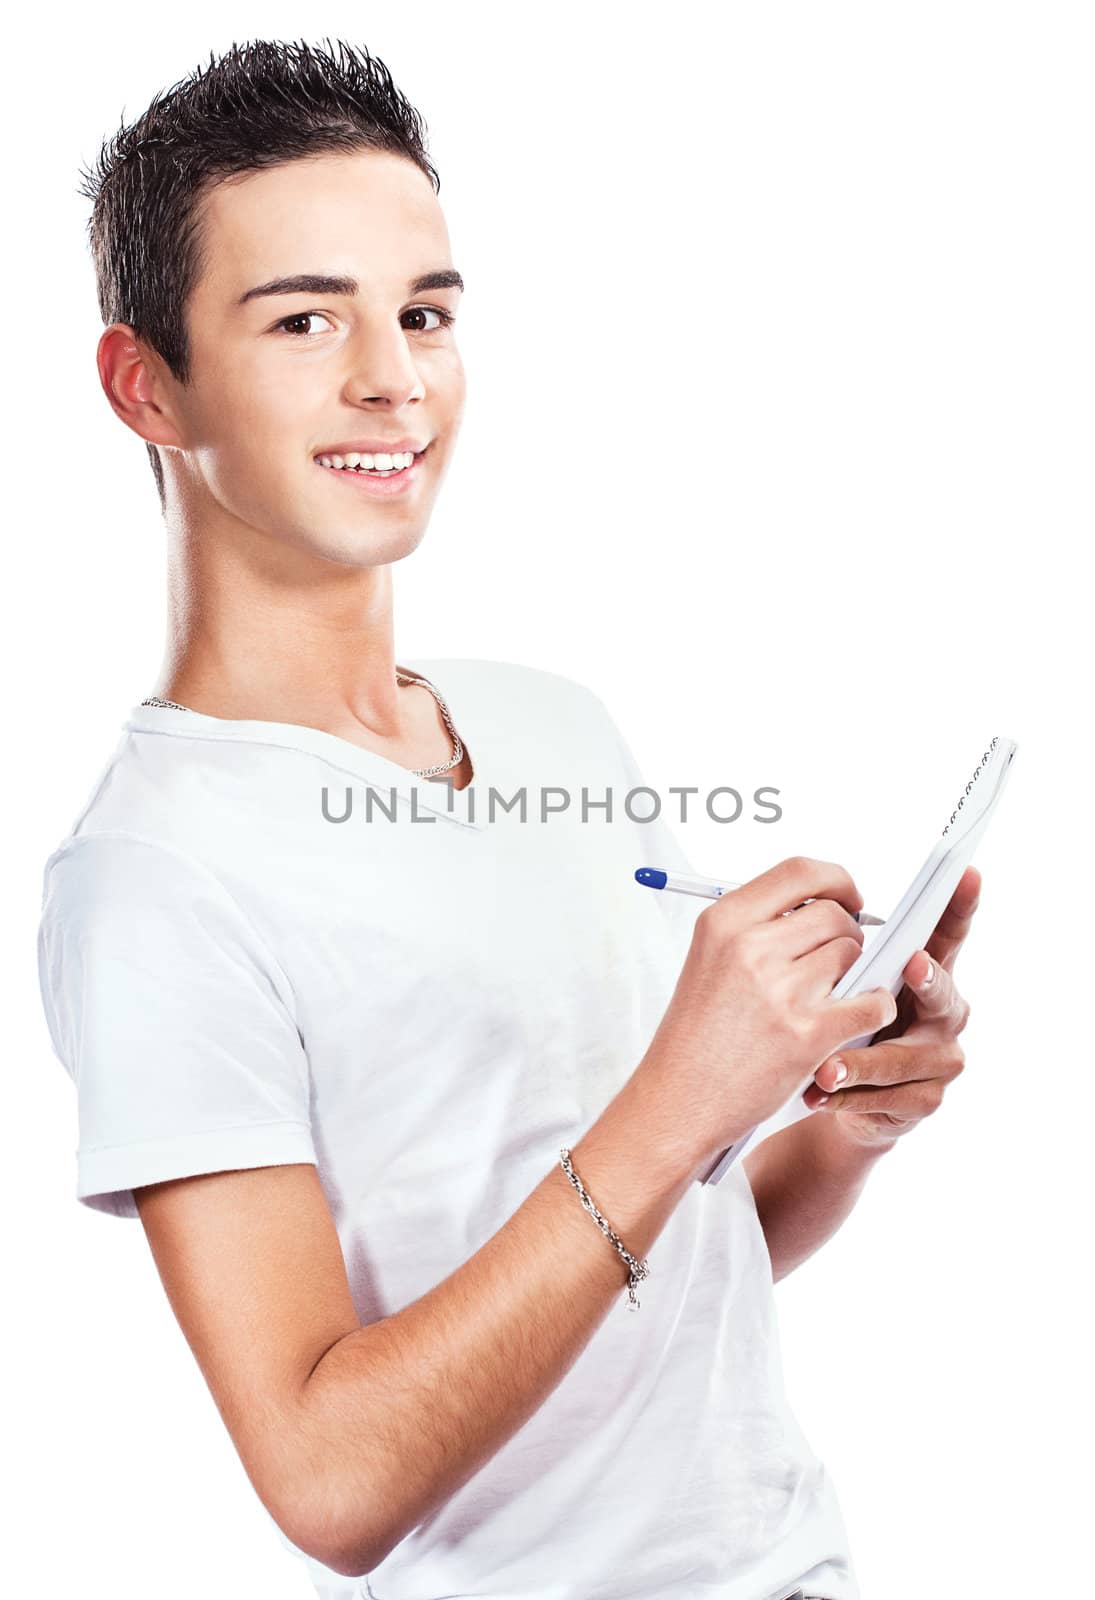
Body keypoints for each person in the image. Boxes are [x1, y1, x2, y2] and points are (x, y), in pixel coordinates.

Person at [36, 39, 979, 1600]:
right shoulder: (154, 877)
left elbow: (656, 1264)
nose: (390, 378)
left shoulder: (549, 721)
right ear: (148, 384)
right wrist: (685, 1093)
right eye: (303, 319)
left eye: (423, 313)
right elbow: (329, 1481)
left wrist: (846, 1120)